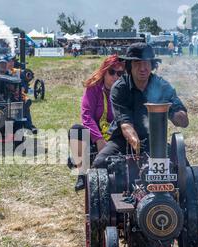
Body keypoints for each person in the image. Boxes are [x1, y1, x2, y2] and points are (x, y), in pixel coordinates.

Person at [92, 43, 189, 169]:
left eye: (146, 63)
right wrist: (136, 145)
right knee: (100, 163)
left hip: (155, 141)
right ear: (129, 66)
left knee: (184, 169)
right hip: (122, 140)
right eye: (137, 64)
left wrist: (173, 111)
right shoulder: (120, 88)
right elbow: (125, 124)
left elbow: (184, 122)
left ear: (152, 65)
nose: (142, 68)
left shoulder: (163, 86)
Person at [68, 54, 125, 191]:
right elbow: (86, 116)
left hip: (116, 135)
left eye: (120, 73)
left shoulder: (125, 90)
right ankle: (82, 174)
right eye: (111, 72)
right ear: (104, 72)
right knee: (76, 130)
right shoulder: (93, 87)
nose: (116, 77)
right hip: (97, 134)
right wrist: (99, 139)